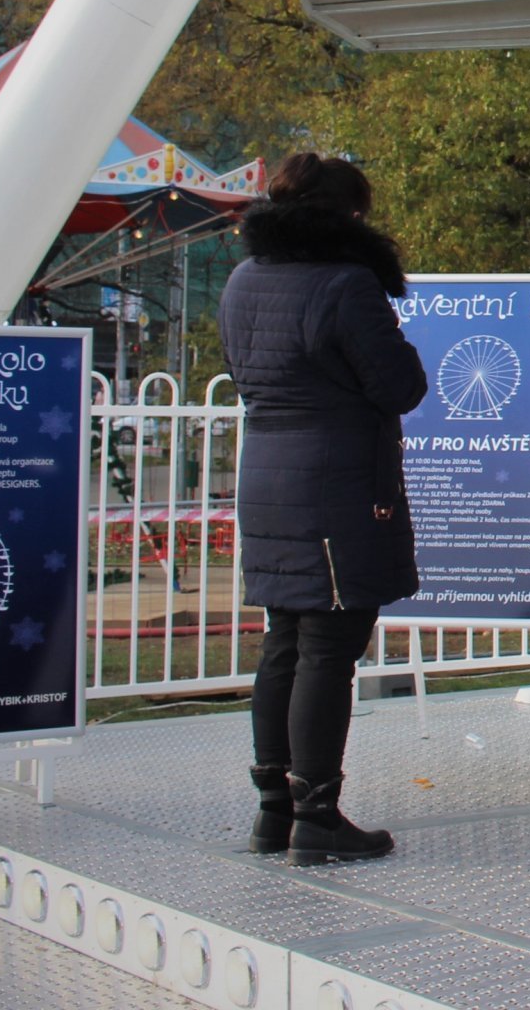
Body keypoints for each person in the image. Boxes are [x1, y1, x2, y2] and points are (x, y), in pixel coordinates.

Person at [220, 152, 427, 866]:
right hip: (336, 478)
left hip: (268, 470)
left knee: (284, 639)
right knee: (328, 648)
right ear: (348, 216)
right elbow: (399, 386)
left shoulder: (243, 278)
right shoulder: (346, 283)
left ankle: (273, 812)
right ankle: (317, 815)